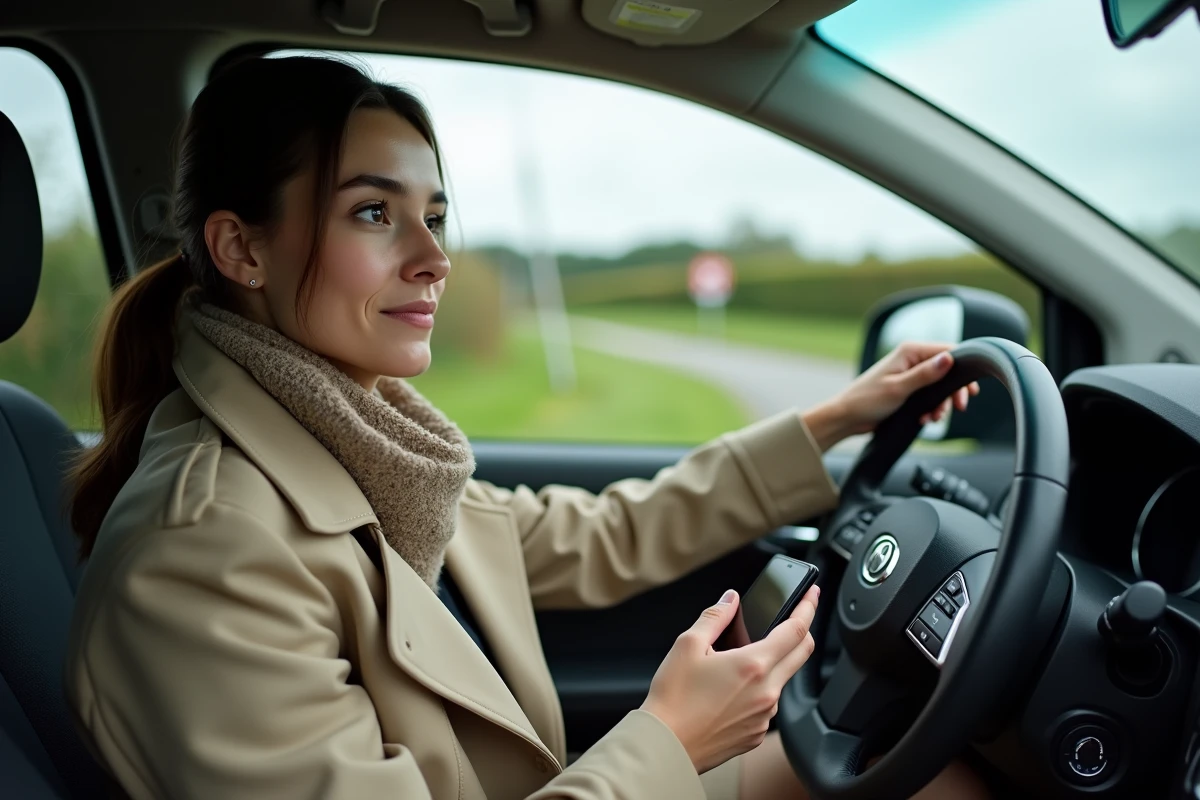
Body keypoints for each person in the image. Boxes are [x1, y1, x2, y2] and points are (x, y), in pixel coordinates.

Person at [65, 55, 986, 800]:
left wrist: (832, 421)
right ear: (241, 249)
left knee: (912, 772)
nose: (434, 258)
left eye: (434, 216)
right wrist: (671, 740)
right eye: (374, 213)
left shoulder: (375, 450)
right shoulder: (205, 555)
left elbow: (606, 533)